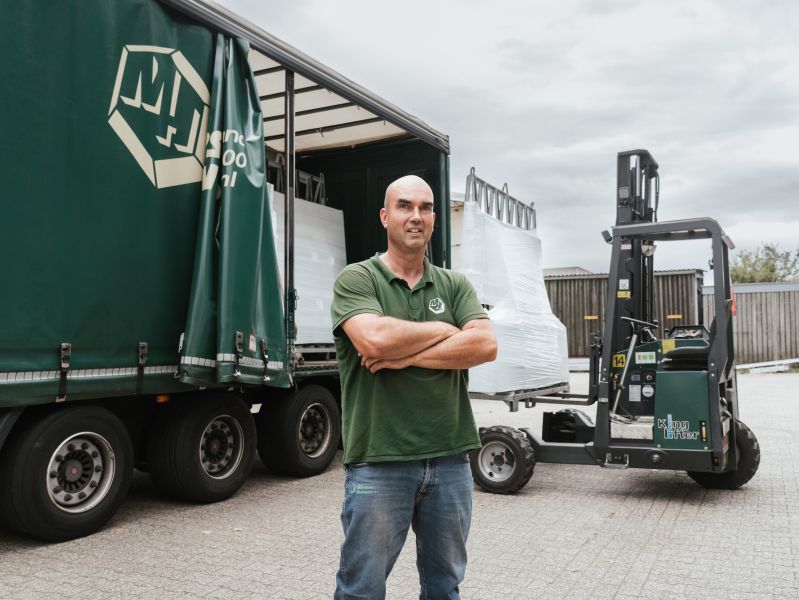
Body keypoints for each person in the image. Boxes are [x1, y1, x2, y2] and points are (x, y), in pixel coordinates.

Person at [331, 174, 497, 599]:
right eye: (405, 206)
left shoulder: (454, 284)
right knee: (361, 590)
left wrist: (403, 357)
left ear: (434, 219)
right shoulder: (358, 279)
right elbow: (374, 340)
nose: (416, 216)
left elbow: (484, 344)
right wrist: (445, 330)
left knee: (445, 588)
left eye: (425, 207)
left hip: (451, 460)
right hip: (379, 461)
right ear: (385, 216)